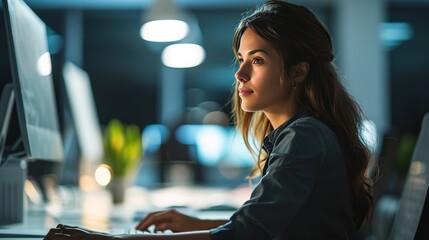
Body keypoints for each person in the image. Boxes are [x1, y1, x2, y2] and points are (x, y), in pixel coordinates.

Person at [44, 0, 374, 239]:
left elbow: (249, 233)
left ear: (298, 72)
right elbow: (264, 222)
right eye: (241, 59)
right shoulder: (300, 133)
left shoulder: (304, 136)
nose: (240, 74)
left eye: (257, 60)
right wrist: (193, 223)